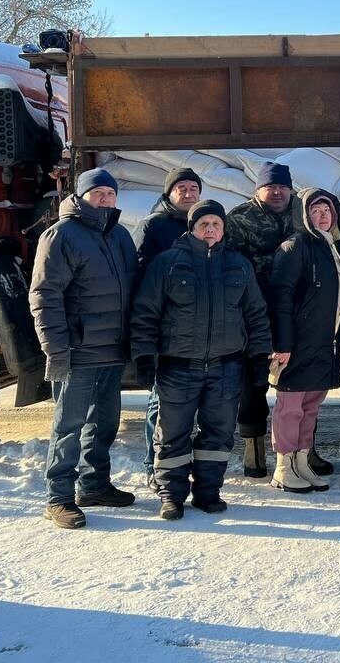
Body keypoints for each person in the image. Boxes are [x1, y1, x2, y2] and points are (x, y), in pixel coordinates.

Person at [130, 200, 272, 519]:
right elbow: (145, 313)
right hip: (177, 367)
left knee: (218, 434)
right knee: (171, 434)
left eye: (216, 224)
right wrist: (143, 355)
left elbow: (256, 315)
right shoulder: (168, 263)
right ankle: (171, 495)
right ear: (192, 228)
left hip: (226, 367)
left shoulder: (238, 265)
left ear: (223, 229)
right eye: (203, 224)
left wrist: (260, 355)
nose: (210, 229)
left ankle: (208, 492)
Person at [29, 168, 138, 529]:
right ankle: (58, 496)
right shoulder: (61, 235)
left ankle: (93, 484)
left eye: (110, 194)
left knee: (104, 423)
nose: (105, 199)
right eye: (98, 193)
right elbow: (45, 295)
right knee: (69, 425)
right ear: (82, 196)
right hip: (77, 350)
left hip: (112, 348)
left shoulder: (120, 235)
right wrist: (55, 349)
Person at [268, 188, 340, 493]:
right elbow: (281, 300)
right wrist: (283, 345)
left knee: (311, 407)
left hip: (324, 344)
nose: (323, 216)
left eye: (327, 210)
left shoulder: (334, 248)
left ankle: (301, 462)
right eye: (315, 211)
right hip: (297, 346)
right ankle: (283, 466)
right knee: (290, 406)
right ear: (304, 215)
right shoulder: (294, 248)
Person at [226, 162, 306, 479]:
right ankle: (254, 447)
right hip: (253, 313)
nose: (277, 193)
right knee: (253, 382)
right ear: (258, 190)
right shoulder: (239, 219)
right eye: (270, 187)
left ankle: (303, 449)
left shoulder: (301, 213)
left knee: (300, 381)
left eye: (282, 187)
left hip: (295, 311)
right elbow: (230, 264)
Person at [132, 166, 205, 488]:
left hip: (201, 329)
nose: (188, 193)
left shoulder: (206, 224)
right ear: (169, 193)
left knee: (195, 403)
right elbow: (139, 277)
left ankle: (184, 463)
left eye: (193, 187)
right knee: (161, 402)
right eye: (181, 188)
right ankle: (153, 464)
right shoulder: (153, 226)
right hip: (166, 328)